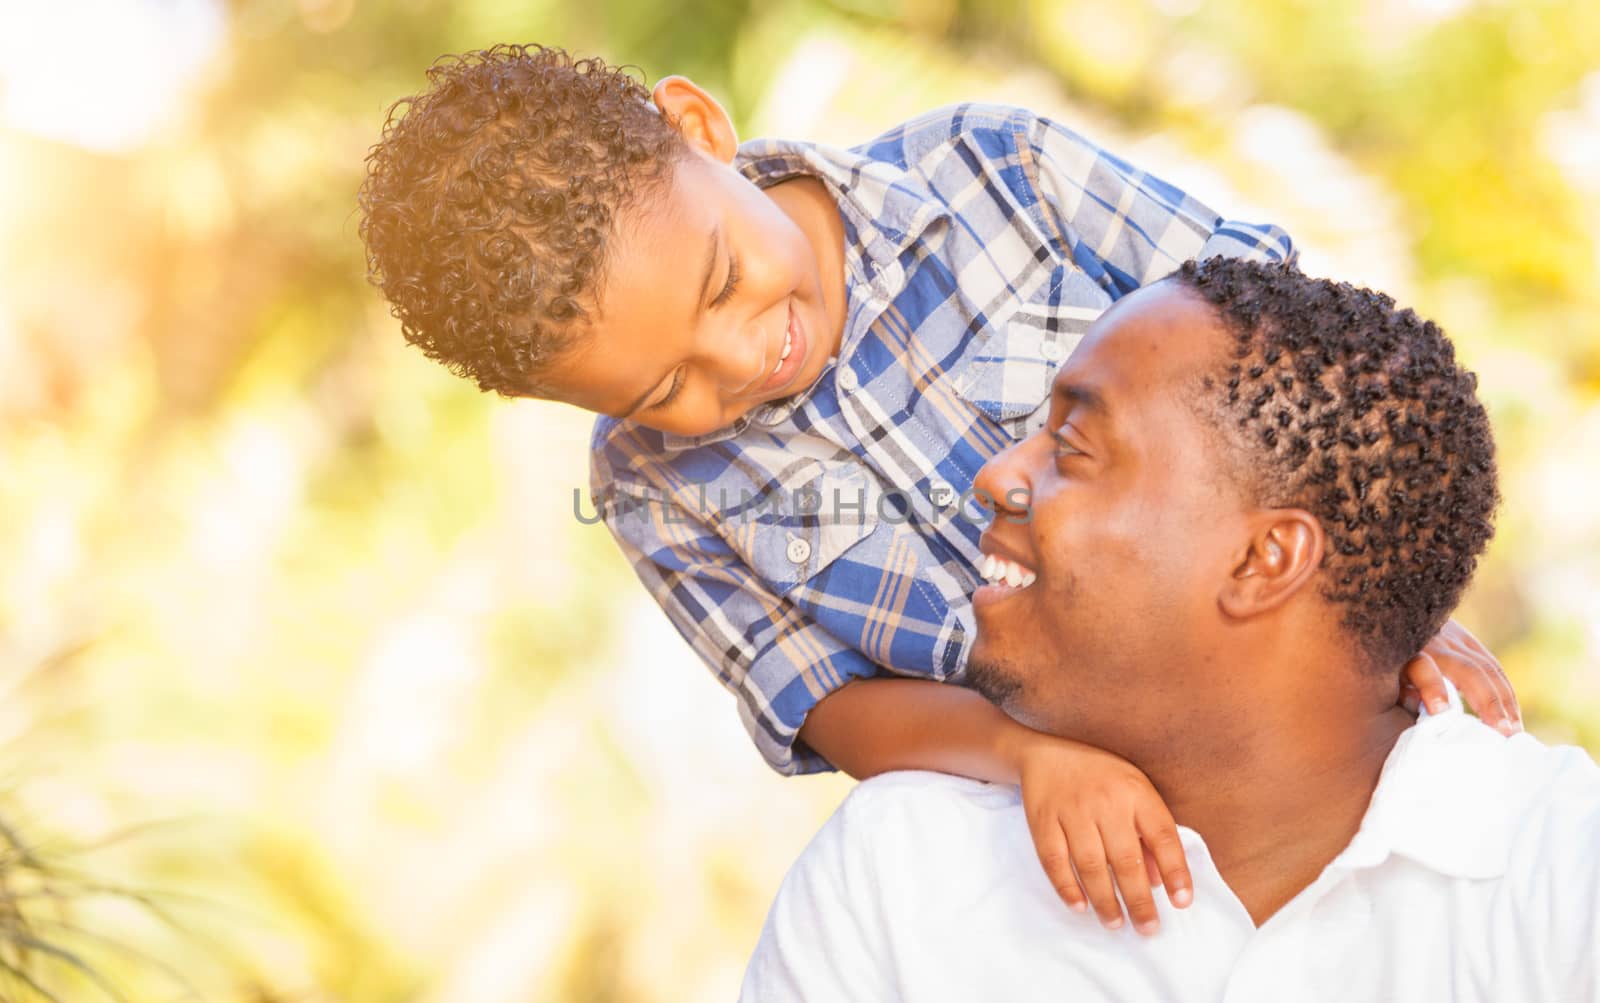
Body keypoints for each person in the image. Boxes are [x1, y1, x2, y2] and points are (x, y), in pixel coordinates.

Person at [356, 45, 1519, 928]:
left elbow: (1291, 373)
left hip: (1283, 735)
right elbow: (817, 700)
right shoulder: (649, 488)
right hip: (1065, 847)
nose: (741, 358)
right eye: (665, 385)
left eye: (720, 284)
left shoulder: (995, 173)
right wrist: (1025, 757)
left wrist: (1379, 608)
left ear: (699, 126)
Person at [740, 257, 1600, 1002]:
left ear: (1265, 559)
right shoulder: (898, 875)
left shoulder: (1562, 874)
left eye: (1072, 448)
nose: (996, 475)